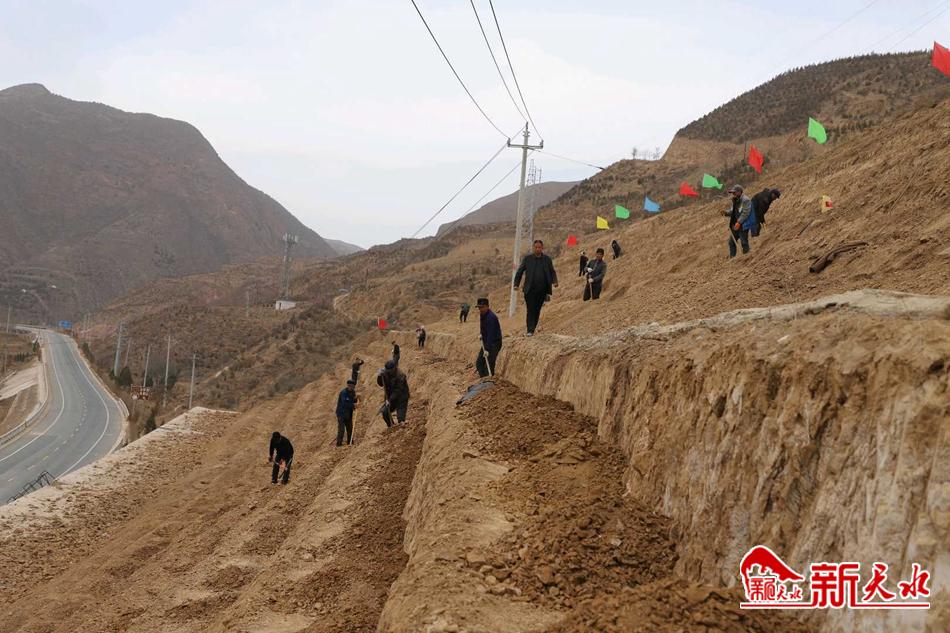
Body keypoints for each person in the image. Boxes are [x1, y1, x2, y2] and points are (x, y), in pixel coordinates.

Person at [513, 239, 558, 336]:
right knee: (530, 309)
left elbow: (552, 271)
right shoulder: (527, 259)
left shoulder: (547, 259)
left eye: (539, 247)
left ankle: (532, 328)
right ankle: (530, 330)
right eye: (536, 247)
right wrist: (516, 284)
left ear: (542, 248)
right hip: (530, 289)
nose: (537, 249)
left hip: (542, 290)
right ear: (533, 248)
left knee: (537, 309)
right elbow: (520, 271)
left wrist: (555, 281)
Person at [377, 360, 410, 426]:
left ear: (394, 368)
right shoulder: (385, 373)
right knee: (385, 412)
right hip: (390, 397)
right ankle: (391, 426)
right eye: (387, 370)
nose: (388, 372)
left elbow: (398, 390)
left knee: (401, 419)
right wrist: (379, 376)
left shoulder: (400, 375)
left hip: (401, 397)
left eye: (390, 371)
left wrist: (389, 400)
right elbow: (381, 384)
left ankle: (401, 425)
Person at [723, 185, 753, 258]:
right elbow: (732, 211)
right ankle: (732, 258)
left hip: (743, 225)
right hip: (736, 225)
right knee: (731, 242)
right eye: (732, 193)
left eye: (734, 192)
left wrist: (739, 222)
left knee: (744, 242)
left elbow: (745, 213)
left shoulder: (745, 200)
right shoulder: (736, 200)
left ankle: (747, 257)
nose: (733, 194)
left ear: (740, 192)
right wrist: (726, 213)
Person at [475, 297, 502, 377]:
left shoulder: (491, 318)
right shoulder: (482, 314)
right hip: (486, 341)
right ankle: (484, 380)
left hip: (494, 343)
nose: (480, 309)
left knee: (489, 364)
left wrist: (487, 349)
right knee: (479, 363)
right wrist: (481, 334)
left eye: (482, 307)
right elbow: (483, 327)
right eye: (479, 307)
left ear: (487, 306)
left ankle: (489, 381)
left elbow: (491, 334)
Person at [335, 379, 358, 446]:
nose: (351, 387)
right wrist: (353, 405)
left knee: (350, 428)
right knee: (341, 429)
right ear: (348, 385)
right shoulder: (343, 393)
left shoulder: (353, 392)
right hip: (341, 413)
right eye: (350, 386)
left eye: (352, 386)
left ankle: (350, 442)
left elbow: (353, 400)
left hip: (349, 414)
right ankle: (339, 443)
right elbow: (344, 404)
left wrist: (356, 399)